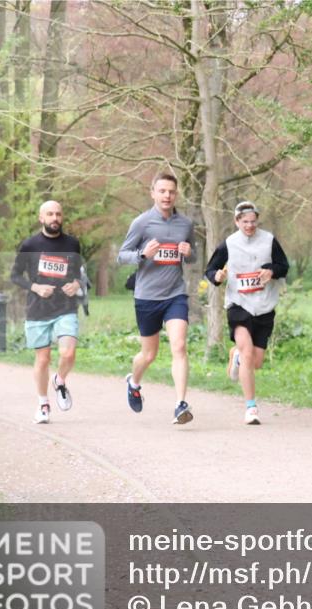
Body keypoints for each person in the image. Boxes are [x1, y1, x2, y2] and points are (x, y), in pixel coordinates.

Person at [117, 172, 197, 424]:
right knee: (148, 355)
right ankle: (134, 381)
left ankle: (180, 404)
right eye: (162, 191)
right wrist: (142, 254)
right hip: (147, 297)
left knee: (179, 346)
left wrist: (190, 253)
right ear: (153, 193)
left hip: (175, 294)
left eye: (171, 192)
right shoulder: (141, 223)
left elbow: (192, 257)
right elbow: (122, 255)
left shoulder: (185, 224)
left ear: (176, 194)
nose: (167, 196)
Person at [204, 201, 289, 425]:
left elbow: (284, 266)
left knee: (256, 362)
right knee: (249, 353)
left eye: (253, 221)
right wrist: (217, 277)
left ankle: (238, 355)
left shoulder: (269, 240)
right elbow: (210, 269)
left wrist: (271, 271)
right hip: (238, 304)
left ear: (257, 220)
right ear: (237, 221)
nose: (249, 226)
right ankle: (251, 408)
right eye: (245, 222)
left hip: (264, 305)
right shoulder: (229, 244)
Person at [10, 200, 83, 424]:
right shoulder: (30, 245)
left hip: (65, 307)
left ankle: (59, 380)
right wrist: (36, 287)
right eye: (50, 214)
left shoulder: (72, 243)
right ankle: (43, 404)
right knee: (43, 359)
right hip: (38, 309)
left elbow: (79, 272)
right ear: (41, 218)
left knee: (68, 353)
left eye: (58, 214)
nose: (55, 218)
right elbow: (15, 276)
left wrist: (77, 283)